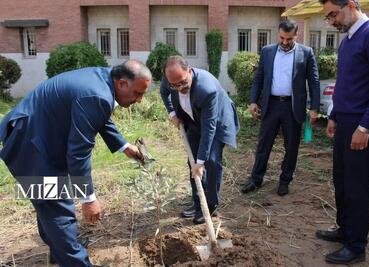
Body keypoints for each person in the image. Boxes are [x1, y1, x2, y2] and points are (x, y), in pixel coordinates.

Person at [0, 60, 152, 267]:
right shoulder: (97, 94)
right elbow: (78, 153)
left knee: (48, 205)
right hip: (31, 145)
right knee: (57, 208)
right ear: (123, 83)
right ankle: (74, 260)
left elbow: (99, 118)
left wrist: (124, 146)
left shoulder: (102, 82)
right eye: (137, 93)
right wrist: (88, 199)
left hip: (36, 138)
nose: (140, 100)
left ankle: (61, 251)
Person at [316, 0, 369, 264]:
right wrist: (334, 115)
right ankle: (345, 230)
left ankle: (356, 246)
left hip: (363, 124)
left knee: (357, 187)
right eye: (328, 17)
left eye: (333, 14)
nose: (332, 21)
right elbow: (345, 82)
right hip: (345, 122)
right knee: (341, 180)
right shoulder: (349, 39)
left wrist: (365, 127)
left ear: (350, 4)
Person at [241, 19, 320, 196]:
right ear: (279, 34)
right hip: (271, 105)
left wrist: (314, 107)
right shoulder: (267, 51)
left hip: (293, 107)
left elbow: (314, 82)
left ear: (296, 35)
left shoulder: (306, 53)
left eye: (289, 39)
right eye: (282, 38)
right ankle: (255, 179)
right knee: (263, 145)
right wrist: (253, 101)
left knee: (291, 147)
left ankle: (285, 180)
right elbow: (259, 78)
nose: (284, 42)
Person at [160, 55, 239, 225]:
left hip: (217, 123)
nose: (179, 88)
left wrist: (201, 161)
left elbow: (209, 128)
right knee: (192, 164)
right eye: (174, 85)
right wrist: (172, 113)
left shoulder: (206, 89)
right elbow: (164, 92)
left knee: (210, 161)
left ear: (189, 71)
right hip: (193, 119)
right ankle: (198, 204)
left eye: (182, 82)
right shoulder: (171, 79)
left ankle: (210, 207)